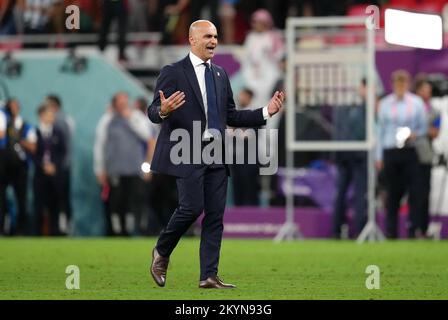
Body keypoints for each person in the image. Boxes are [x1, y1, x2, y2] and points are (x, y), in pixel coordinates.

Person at [147, 20, 284, 289]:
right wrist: (163, 110)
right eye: (208, 36)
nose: (213, 41)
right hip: (185, 150)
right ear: (192, 40)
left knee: (215, 215)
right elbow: (153, 112)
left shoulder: (221, 74)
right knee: (191, 207)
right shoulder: (173, 72)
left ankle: (208, 275)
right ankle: (161, 253)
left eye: (216, 36)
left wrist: (265, 112)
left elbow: (231, 115)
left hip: (216, 153)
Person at [376, 70, 427, 239]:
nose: (400, 86)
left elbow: (423, 127)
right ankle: (391, 231)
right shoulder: (384, 104)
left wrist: (415, 134)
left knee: (414, 192)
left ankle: (413, 229)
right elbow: (380, 131)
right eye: (397, 83)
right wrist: (379, 156)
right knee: (392, 193)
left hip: (410, 150)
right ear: (393, 84)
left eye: (403, 82)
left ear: (408, 84)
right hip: (391, 151)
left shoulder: (417, 103)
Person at [94, 92, 153, 236]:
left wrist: (130, 118)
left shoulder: (137, 117)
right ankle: (115, 230)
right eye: (120, 103)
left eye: (125, 102)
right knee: (115, 202)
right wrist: (99, 169)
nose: (123, 106)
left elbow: (147, 136)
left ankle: (129, 230)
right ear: (114, 104)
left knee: (131, 202)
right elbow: (99, 145)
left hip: (133, 169)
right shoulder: (107, 120)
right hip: (114, 169)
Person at [332, 80, 367, 239]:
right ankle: (359, 231)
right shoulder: (362, 108)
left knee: (342, 193)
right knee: (358, 193)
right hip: (357, 154)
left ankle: (337, 230)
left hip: (343, 154)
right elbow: (360, 132)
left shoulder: (340, 108)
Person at [2, 99, 37, 235]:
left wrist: (18, 140)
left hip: (20, 167)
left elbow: (33, 146)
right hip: (3, 166)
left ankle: (22, 230)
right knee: (1, 199)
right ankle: (3, 229)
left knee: (21, 199)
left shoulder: (25, 126)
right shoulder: (3, 124)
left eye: (15, 106)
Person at [33, 104, 66, 236]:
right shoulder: (34, 132)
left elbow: (63, 152)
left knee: (56, 204)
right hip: (40, 174)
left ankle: (55, 232)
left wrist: (54, 166)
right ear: (41, 115)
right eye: (49, 114)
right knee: (39, 204)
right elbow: (32, 153)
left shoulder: (58, 132)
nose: (52, 117)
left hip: (55, 174)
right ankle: (37, 233)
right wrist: (42, 165)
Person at [414, 78, 441, 238]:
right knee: (412, 194)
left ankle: (422, 229)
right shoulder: (410, 108)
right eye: (425, 89)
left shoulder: (435, 111)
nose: (428, 92)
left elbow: (435, 132)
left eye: (429, 89)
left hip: (425, 156)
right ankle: (411, 228)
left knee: (424, 193)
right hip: (409, 154)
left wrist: (417, 132)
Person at [45, 94, 74, 234]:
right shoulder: (61, 120)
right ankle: (58, 227)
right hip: (60, 166)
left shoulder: (60, 121)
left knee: (61, 199)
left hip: (61, 167)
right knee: (57, 200)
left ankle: (63, 228)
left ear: (54, 106)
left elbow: (65, 146)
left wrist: (60, 165)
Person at [229, 88, 260, 206]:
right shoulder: (236, 114)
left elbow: (248, 134)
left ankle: (252, 217)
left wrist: (236, 130)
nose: (240, 97)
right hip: (237, 159)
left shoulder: (254, 114)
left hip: (249, 160)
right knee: (238, 187)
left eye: (242, 95)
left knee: (250, 189)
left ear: (248, 97)